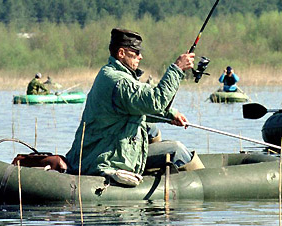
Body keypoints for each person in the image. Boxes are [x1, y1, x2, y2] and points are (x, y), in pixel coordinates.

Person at [64, 28, 202, 187]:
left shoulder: (108, 73)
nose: (140, 56)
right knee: (177, 150)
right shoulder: (119, 81)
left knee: (151, 130)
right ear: (121, 53)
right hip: (104, 159)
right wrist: (177, 68)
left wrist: (170, 115)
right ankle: (204, 186)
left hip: (96, 154)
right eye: (135, 52)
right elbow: (156, 101)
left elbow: (136, 107)